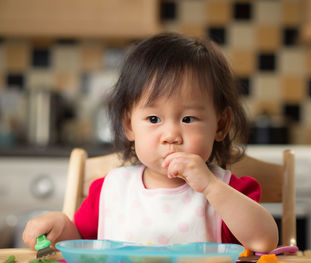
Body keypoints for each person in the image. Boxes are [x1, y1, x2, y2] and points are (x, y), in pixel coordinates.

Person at [23, 32, 278, 253]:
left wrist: (211, 187)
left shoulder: (228, 192)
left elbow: (264, 241)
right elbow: (82, 242)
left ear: (220, 125)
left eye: (188, 118)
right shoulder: (110, 191)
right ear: (129, 126)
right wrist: (59, 227)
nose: (171, 135)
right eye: (154, 118)